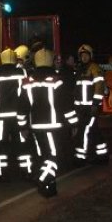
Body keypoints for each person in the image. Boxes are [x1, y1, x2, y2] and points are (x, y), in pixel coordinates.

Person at [18, 48, 78, 197]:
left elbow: (22, 108)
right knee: (53, 156)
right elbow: (66, 105)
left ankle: (49, 187)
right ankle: (42, 179)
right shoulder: (57, 81)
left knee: (43, 156)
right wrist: (74, 123)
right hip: (53, 127)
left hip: (35, 127)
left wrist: (23, 127)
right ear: (50, 61)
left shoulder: (28, 82)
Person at [0, 47, 32, 180]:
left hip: (0, 117)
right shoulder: (22, 72)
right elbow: (27, 92)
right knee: (22, 143)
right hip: (17, 116)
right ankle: (26, 171)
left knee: (0, 144)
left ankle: (1, 172)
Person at [74, 43, 109, 164]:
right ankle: (102, 155)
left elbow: (99, 87)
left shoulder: (95, 68)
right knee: (94, 131)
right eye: (82, 55)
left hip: (91, 107)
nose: (84, 57)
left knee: (84, 130)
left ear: (90, 56)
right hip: (81, 107)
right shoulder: (78, 69)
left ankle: (81, 157)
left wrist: (95, 104)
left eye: (86, 55)